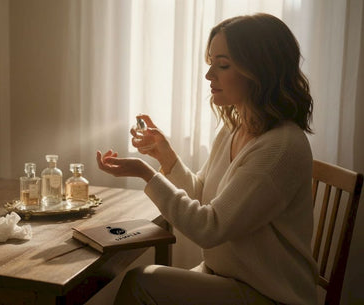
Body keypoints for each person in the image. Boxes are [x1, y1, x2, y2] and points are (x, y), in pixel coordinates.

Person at [96, 13, 318, 305]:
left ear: (260, 70)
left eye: (223, 65)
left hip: (269, 294)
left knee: (141, 283)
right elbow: (203, 196)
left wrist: (147, 175)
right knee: (144, 283)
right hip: (226, 278)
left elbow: (209, 227)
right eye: (210, 62)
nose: (209, 75)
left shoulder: (280, 147)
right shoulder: (235, 127)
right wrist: (166, 156)